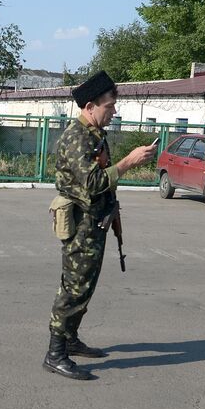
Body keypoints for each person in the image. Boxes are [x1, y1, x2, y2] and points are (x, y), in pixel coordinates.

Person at [43, 70, 158, 381]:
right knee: (74, 288)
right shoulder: (76, 138)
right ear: (90, 106)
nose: (114, 111)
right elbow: (93, 182)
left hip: (95, 224)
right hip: (81, 225)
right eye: (110, 105)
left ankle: (70, 339)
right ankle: (55, 354)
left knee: (86, 286)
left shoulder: (95, 135)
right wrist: (128, 163)